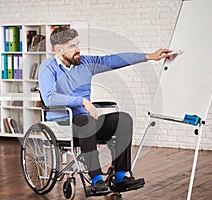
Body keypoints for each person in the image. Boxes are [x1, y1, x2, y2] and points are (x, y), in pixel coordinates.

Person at [39, 27, 171, 193]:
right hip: (61, 125)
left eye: (77, 44)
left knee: (123, 119)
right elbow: (50, 98)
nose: (78, 49)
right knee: (86, 121)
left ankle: (121, 178)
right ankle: (96, 180)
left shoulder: (85, 63)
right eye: (72, 46)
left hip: (84, 124)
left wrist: (149, 56)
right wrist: (82, 101)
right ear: (58, 49)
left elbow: (113, 60)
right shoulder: (48, 68)